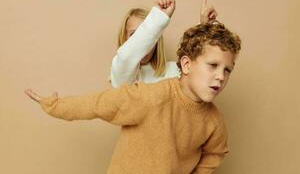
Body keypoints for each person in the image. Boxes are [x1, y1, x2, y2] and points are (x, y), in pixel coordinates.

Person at [25, 21, 241, 173]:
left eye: (227, 70)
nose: (221, 76)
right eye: (213, 66)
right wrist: (53, 104)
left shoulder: (215, 122)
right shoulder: (151, 97)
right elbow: (97, 104)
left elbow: (216, 153)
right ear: (186, 65)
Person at [110, 0, 217, 87]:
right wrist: (158, 18)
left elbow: (196, 70)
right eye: (134, 35)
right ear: (124, 40)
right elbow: (125, 58)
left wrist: (203, 29)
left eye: (148, 36)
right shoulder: (120, 74)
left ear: (155, 39)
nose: (142, 41)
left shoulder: (174, 71)